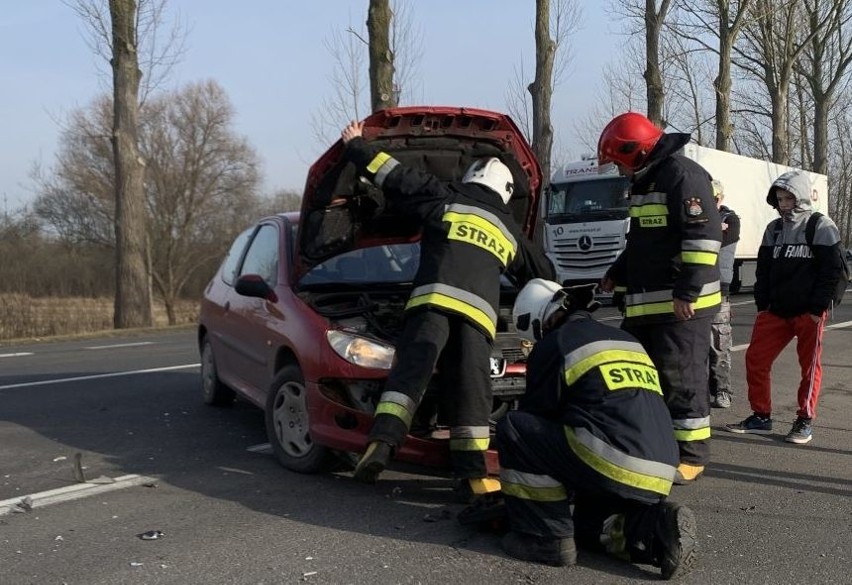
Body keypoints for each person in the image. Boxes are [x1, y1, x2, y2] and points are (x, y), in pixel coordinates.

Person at [339, 120, 555, 496]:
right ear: (505, 192)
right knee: (473, 388)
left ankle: (382, 444)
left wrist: (356, 146)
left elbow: (393, 176)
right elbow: (543, 275)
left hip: (430, 304)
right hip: (477, 319)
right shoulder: (507, 229)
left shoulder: (443, 197)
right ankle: (472, 474)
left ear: (471, 176)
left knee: (410, 374)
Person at [495, 279, 696, 580]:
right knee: (588, 524)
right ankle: (657, 527)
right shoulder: (625, 339)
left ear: (541, 320)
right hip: (661, 468)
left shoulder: (556, 343)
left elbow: (537, 421)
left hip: (609, 457)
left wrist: (517, 502)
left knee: (515, 428)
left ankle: (546, 539)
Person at [597, 112, 722, 485]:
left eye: (618, 162)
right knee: (645, 376)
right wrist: (615, 274)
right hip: (648, 306)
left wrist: (687, 291)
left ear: (635, 152)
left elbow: (704, 237)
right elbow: (643, 244)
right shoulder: (646, 181)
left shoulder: (682, 176)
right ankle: (657, 443)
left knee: (682, 378)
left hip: (679, 307)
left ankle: (692, 455)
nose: (617, 170)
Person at [726, 170, 845, 444]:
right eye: (779, 198)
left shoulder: (821, 226)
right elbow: (763, 270)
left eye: (788, 197)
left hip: (809, 313)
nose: (783, 203)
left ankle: (804, 420)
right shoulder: (774, 229)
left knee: (809, 368)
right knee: (755, 360)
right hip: (775, 311)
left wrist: (818, 308)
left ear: (800, 197)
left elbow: (831, 271)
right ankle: (761, 416)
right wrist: (762, 304)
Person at [709, 180, 740, 409]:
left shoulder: (731, 219)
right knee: (695, 345)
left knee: (720, 344)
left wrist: (703, 227)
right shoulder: (696, 218)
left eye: (715, 198)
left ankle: (723, 390)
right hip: (694, 287)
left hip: (719, 289)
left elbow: (718, 242)